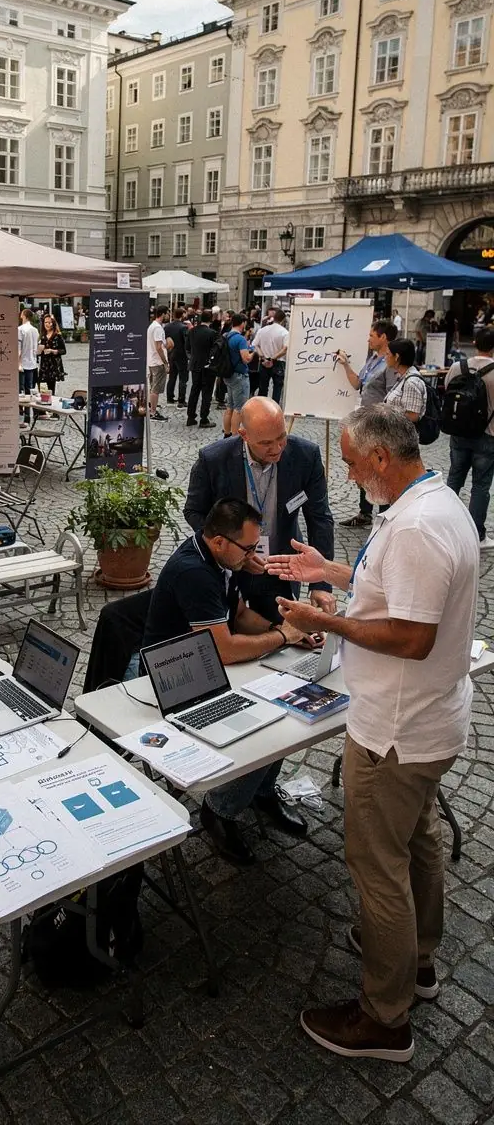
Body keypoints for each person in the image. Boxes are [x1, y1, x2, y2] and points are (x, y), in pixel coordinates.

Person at [267, 406, 478, 1062]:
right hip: (426, 723)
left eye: (355, 464)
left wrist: (325, 623)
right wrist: (329, 572)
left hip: (395, 730)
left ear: (382, 458)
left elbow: (411, 637)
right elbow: (397, 596)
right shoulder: (435, 503)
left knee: (376, 869)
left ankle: (385, 1019)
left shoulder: (415, 528)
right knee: (416, 842)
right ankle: (416, 963)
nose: (350, 475)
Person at [138, 498, 313, 864]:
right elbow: (224, 650)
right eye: (248, 548)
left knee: (287, 706)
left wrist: (282, 629)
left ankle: (260, 790)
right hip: (174, 682)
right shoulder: (196, 573)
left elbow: (240, 614)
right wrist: (283, 638)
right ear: (219, 541)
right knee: (270, 719)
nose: (255, 556)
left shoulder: (221, 562)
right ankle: (220, 809)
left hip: (204, 667)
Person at [184, 396, 335, 623]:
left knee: (280, 633)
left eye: (281, 438)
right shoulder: (213, 459)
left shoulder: (306, 456)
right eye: (266, 443)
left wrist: (321, 583)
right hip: (228, 567)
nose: (276, 449)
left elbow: (320, 518)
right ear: (244, 435)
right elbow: (194, 511)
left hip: (279, 566)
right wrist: (233, 550)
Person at [336, 318, 399, 527]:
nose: (368, 339)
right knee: (363, 465)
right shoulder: (372, 359)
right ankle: (364, 512)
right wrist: (345, 365)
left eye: (372, 335)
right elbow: (357, 384)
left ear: (383, 337)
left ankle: (383, 512)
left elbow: (391, 394)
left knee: (380, 467)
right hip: (364, 421)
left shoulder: (390, 364)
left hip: (379, 423)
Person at [445, 326, 494, 548]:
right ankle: (477, 535)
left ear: (474, 342)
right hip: (488, 434)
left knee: (454, 479)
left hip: (459, 432)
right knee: (481, 486)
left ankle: (444, 526)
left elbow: (447, 390)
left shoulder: (457, 366)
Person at [222, 313, 254, 436]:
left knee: (229, 406)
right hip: (239, 375)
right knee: (239, 408)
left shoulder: (226, 335)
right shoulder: (240, 339)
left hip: (228, 374)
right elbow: (246, 359)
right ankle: (235, 437)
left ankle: (227, 433)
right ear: (242, 323)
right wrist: (253, 352)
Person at [185, 309, 217, 428]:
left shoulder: (191, 331)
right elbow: (215, 349)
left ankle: (190, 417)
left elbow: (187, 348)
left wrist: (192, 358)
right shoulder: (213, 333)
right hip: (208, 366)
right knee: (206, 392)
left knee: (194, 390)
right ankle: (204, 418)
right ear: (211, 319)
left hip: (195, 364)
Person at [383, 338, 427, 423]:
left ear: (396, 357)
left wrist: (387, 413)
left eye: (387, 354)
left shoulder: (411, 382)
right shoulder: (403, 376)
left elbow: (413, 416)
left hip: (403, 434)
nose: (385, 358)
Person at [251, 308, 289, 404]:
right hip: (278, 362)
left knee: (263, 387)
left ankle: (260, 408)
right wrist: (272, 358)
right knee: (277, 388)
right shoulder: (284, 332)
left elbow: (255, 345)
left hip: (264, 361)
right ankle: (274, 409)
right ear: (283, 320)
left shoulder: (262, 330)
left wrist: (263, 356)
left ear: (273, 318)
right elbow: (285, 349)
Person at [146, 306, 169, 421]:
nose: (168, 316)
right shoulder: (157, 328)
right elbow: (158, 347)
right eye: (167, 313)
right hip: (157, 361)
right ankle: (153, 412)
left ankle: (152, 407)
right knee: (156, 388)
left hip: (152, 360)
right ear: (163, 314)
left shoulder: (152, 326)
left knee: (153, 387)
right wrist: (165, 363)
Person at [164, 307, 189, 407]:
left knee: (172, 376)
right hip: (181, 354)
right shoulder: (183, 327)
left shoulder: (167, 326)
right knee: (183, 378)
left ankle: (170, 397)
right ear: (182, 315)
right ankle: (181, 400)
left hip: (171, 353)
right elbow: (186, 342)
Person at [37, 313, 67, 394]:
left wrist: (52, 351)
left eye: (49, 322)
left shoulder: (57, 336)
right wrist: (39, 350)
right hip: (44, 366)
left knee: (50, 391)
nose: (47, 324)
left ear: (53, 323)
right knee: (42, 389)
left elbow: (63, 351)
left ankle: (49, 404)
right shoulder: (42, 336)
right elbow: (39, 351)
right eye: (45, 322)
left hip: (53, 367)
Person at [18, 308, 40, 415]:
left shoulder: (20, 329)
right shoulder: (35, 330)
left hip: (22, 363)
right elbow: (36, 348)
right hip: (32, 363)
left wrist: (18, 363)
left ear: (23, 315)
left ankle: (20, 412)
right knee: (29, 389)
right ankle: (27, 414)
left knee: (20, 390)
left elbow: (19, 349)